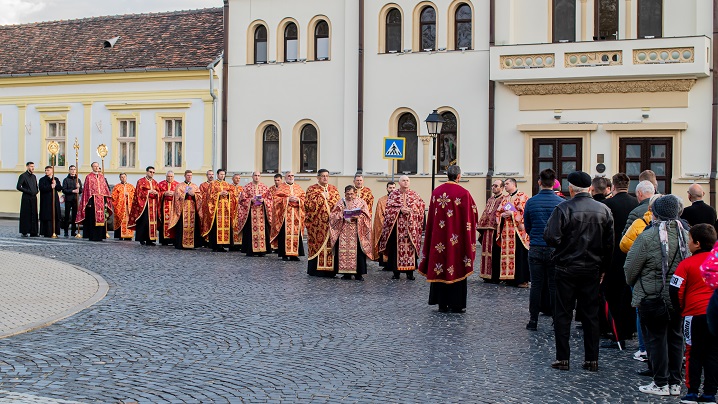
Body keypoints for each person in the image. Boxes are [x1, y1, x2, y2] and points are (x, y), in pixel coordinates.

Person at [544, 171, 614, 372]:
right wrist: (604, 269)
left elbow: (550, 236)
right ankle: (592, 359)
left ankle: (563, 358)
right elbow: (610, 244)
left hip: (566, 267)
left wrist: (564, 246)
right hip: (592, 268)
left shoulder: (563, 208)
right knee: (591, 315)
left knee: (563, 314)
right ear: (590, 189)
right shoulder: (603, 210)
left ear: (571, 189)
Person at [625, 195, 688, 396]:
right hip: (678, 297)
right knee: (676, 338)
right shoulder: (686, 235)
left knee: (657, 339)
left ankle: (661, 382)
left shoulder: (647, 236)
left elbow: (630, 268)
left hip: (652, 296)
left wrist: (635, 284)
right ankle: (675, 383)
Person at [418, 165, 478, 312]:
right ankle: (456, 305)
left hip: (438, 239)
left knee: (440, 266)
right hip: (457, 241)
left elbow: (431, 218)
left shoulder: (436, 192)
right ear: (458, 176)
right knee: (456, 265)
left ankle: (441, 303)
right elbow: (473, 214)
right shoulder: (464, 193)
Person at [669, 224, 718, 404]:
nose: (688, 243)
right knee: (713, 354)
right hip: (715, 314)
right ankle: (710, 393)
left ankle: (692, 391)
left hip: (693, 314)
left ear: (697, 243)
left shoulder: (686, 263)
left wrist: (680, 308)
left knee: (693, 353)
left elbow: (675, 288)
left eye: (689, 240)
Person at [600, 173, 640, 350]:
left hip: (613, 256)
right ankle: (630, 328)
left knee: (613, 296)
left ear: (613, 186)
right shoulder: (636, 204)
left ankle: (615, 331)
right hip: (632, 255)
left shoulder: (607, 204)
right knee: (629, 294)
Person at [523, 168, 564, 330]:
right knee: (554, 285)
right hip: (555, 248)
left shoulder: (531, 202)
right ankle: (556, 320)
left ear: (539, 182)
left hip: (536, 247)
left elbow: (527, 225)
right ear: (554, 183)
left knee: (536, 285)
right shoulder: (561, 203)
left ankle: (533, 320)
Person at [378, 175, 425, 280]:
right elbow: (388, 210)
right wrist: (399, 210)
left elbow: (421, 208)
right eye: (403, 180)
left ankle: (410, 273)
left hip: (411, 229)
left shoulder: (414, 195)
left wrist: (412, 210)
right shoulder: (393, 195)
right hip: (397, 229)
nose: (406, 182)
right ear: (399, 183)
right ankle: (396, 272)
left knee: (410, 250)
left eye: (407, 180)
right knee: (396, 250)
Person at [329, 184, 372, 280]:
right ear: (344, 193)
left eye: (351, 194)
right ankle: (346, 273)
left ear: (355, 193)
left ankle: (359, 274)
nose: (349, 196)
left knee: (358, 253)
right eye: (347, 194)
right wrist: (342, 214)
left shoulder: (361, 202)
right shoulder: (340, 202)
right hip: (343, 231)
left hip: (357, 231)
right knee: (343, 252)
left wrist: (359, 217)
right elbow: (332, 216)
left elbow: (367, 217)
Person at [305, 169, 341, 277]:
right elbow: (308, 205)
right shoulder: (311, 189)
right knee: (317, 245)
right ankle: (317, 270)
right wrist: (322, 197)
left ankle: (330, 271)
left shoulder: (333, 189)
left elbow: (338, 205)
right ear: (318, 177)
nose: (325, 178)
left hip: (331, 225)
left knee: (331, 246)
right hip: (317, 225)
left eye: (327, 176)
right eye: (323, 176)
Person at [496, 178, 531, 287]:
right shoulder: (505, 198)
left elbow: (525, 212)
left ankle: (521, 280)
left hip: (518, 231)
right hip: (506, 231)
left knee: (520, 254)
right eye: (504, 184)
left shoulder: (523, 196)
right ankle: (509, 278)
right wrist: (501, 215)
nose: (505, 186)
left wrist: (513, 214)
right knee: (507, 255)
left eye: (507, 184)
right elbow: (498, 212)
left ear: (514, 184)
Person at [270, 172, 305, 261]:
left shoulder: (298, 187)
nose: (290, 177)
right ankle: (284, 254)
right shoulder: (281, 187)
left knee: (296, 234)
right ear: (285, 177)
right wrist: (287, 199)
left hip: (296, 214)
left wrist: (298, 200)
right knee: (284, 234)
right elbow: (275, 199)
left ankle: (294, 254)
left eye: (292, 175)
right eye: (288, 175)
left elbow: (304, 199)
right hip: (285, 215)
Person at [237, 171, 272, 256]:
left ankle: (262, 251)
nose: (257, 177)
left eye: (258, 176)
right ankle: (250, 250)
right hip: (251, 214)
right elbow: (241, 200)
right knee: (250, 232)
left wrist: (264, 201)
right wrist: (250, 200)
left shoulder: (265, 187)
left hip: (262, 214)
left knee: (263, 232)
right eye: (255, 175)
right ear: (252, 176)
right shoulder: (247, 187)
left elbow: (270, 200)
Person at [76, 162, 113, 241]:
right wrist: (88, 202)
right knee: (92, 218)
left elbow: (105, 189)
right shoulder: (89, 177)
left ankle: (100, 235)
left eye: (97, 166)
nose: (96, 168)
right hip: (92, 200)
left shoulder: (102, 177)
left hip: (101, 200)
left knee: (102, 218)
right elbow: (86, 191)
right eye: (94, 166)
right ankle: (93, 236)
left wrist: (106, 201)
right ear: (92, 167)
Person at [201, 169, 235, 252]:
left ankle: (223, 244)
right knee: (216, 226)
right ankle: (216, 245)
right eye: (221, 174)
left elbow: (233, 194)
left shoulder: (227, 184)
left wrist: (228, 194)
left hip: (226, 209)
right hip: (216, 208)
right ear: (217, 175)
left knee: (225, 226)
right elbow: (209, 196)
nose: (222, 176)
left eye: (223, 174)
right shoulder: (213, 184)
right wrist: (219, 194)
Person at [478, 179, 504, 282]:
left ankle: (495, 276)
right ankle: (486, 275)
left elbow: (512, 211)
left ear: (502, 188)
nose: (493, 187)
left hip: (497, 231)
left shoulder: (504, 200)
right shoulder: (490, 199)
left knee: (496, 253)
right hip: (486, 231)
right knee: (486, 253)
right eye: (493, 185)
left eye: (496, 186)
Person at [169, 170, 203, 250]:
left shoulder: (195, 186)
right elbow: (177, 197)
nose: (189, 177)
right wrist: (186, 194)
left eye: (190, 175)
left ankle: (192, 244)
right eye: (188, 175)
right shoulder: (179, 186)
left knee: (193, 226)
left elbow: (200, 197)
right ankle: (181, 244)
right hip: (183, 209)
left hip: (192, 209)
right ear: (184, 176)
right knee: (181, 226)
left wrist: (194, 195)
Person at [128, 166, 160, 246]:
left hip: (153, 205)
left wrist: (157, 194)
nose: (151, 173)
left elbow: (159, 192)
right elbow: (139, 192)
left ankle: (150, 240)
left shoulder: (155, 182)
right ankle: (141, 239)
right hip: (144, 205)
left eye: (153, 172)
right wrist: (148, 192)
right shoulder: (141, 181)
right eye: (150, 172)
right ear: (146, 172)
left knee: (151, 223)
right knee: (144, 222)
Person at [371, 181, 395, 268]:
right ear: (387, 188)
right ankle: (385, 264)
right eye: (390, 188)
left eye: (393, 188)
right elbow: (379, 214)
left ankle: (393, 263)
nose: (392, 190)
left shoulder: (398, 199)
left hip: (395, 226)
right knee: (385, 245)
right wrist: (386, 224)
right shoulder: (382, 200)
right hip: (385, 226)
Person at [16, 162, 39, 237]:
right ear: (27, 167)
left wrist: (36, 191)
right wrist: (28, 191)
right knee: (26, 214)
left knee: (34, 214)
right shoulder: (23, 176)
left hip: (33, 197)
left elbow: (36, 186)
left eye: (33, 166)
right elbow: (19, 187)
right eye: (31, 166)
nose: (32, 168)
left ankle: (34, 231)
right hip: (26, 197)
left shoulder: (34, 176)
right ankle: (25, 230)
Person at [157, 171, 179, 246]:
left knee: (173, 222)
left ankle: (173, 240)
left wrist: (174, 194)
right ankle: (164, 240)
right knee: (164, 222)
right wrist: (164, 193)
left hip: (173, 207)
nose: (170, 178)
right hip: (164, 206)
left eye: (171, 177)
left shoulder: (177, 184)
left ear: (173, 177)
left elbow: (181, 195)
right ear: (166, 176)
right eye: (168, 176)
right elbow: (158, 193)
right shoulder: (161, 184)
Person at [38, 166, 62, 237]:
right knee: (47, 216)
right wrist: (50, 186)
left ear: (52, 171)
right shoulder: (42, 179)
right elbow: (42, 188)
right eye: (45, 170)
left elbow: (59, 188)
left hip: (54, 200)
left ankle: (55, 231)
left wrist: (56, 184)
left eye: (48, 170)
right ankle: (47, 232)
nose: (46, 171)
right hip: (46, 200)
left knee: (55, 215)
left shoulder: (55, 179)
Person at [111, 173, 135, 240]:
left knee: (129, 220)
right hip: (120, 207)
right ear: (120, 178)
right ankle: (120, 235)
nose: (123, 178)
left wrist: (129, 195)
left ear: (126, 177)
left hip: (128, 207)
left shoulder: (131, 186)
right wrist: (122, 195)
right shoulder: (117, 187)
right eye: (122, 177)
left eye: (124, 177)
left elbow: (135, 195)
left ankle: (128, 235)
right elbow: (113, 197)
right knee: (120, 220)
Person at [61, 165, 82, 237]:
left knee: (75, 216)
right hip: (68, 199)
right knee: (67, 216)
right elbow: (64, 190)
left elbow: (81, 191)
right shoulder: (66, 180)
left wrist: (79, 188)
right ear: (69, 170)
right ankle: (66, 231)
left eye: (74, 169)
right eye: (71, 169)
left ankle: (73, 231)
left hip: (75, 200)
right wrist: (72, 191)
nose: (73, 171)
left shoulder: (78, 180)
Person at [267, 173, 284, 252]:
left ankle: (280, 246)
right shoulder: (271, 189)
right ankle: (274, 246)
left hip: (282, 212)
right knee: (273, 228)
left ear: (281, 180)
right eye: (275, 180)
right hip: (273, 211)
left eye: (278, 180)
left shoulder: (284, 188)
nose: (276, 182)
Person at [229, 173, 244, 250]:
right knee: (233, 226)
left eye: (239, 178)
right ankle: (233, 244)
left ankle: (240, 243)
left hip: (240, 210)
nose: (238, 180)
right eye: (236, 178)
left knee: (239, 226)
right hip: (232, 209)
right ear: (232, 179)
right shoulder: (229, 187)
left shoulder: (241, 188)